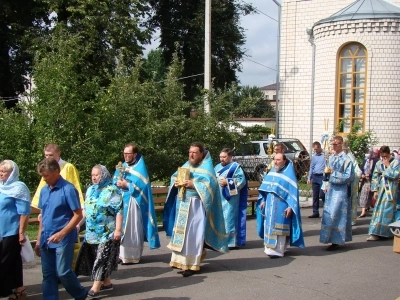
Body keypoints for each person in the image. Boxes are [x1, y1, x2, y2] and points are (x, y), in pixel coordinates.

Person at [163, 142, 229, 277]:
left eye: (194, 153)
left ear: (201, 154)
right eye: (190, 152)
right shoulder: (187, 165)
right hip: (182, 203)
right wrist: (175, 182)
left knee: (193, 235)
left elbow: (211, 185)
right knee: (182, 235)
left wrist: (193, 184)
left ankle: (192, 265)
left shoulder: (207, 168)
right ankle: (181, 262)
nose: (191, 155)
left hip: (196, 206)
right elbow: (174, 176)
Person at [34, 158, 87, 300]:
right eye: (42, 176)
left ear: (56, 172)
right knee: (48, 274)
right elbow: (43, 216)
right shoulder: (44, 190)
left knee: (63, 272)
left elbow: (78, 215)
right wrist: (39, 239)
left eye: (46, 175)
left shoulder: (68, 189)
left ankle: (80, 294)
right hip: (46, 238)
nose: (44, 179)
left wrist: (61, 233)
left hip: (63, 238)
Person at [31, 143, 84, 271]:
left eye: (51, 155)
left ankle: (71, 279)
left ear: (58, 154)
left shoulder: (68, 167)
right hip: (50, 216)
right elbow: (43, 191)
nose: (48, 158)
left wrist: (80, 211)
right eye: (46, 155)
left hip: (65, 215)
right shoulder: (45, 169)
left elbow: (74, 188)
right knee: (48, 273)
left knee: (63, 270)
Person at [75, 165, 123, 298]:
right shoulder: (91, 189)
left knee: (102, 258)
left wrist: (118, 230)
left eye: (97, 175)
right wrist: (78, 224)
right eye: (92, 175)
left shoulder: (112, 190)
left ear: (104, 175)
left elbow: (119, 211)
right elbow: (86, 209)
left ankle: (96, 287)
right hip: (91, 232)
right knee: (93, 257)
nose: (94, 177)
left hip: (107, 232)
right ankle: (106, 282)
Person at [112, 143, 160, 264]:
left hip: (134, 202)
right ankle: (122, 255)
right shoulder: (121, 167)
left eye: (128, 153)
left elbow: (143, 187)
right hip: (122, 201)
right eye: (124, 153)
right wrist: (117, 183)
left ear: (135, 154)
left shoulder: (140, 168)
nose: (126, 156)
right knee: (121, 228)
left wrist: (127, 185)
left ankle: (132, 256)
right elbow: (114, 180)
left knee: (132, 228)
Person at [256, 153, 304, 258]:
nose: (276, 162)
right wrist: (263, 200)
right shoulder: (271, 173)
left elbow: (292, 194)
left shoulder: (289, 175)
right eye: (275, 160)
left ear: (284, 161)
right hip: (269, 204)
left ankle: (278, 250)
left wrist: (290, 207)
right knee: (269, 226)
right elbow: (265, 189)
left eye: (278, 160)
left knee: (280, 227)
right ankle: (268, 249)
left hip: (281, 205)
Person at [0, 160, 30, 300]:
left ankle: (5, 291)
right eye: (0, 171)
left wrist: (21, 232)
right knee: (13, 261)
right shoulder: (1, 186)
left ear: (12, 173)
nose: (1, 174)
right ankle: (19, 288)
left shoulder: (19, 187)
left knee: (4, 262)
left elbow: (24, 212)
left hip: (11, 231)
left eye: (4, 171)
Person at [320, 136, 354, 251]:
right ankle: (328, 237)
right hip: (330, 190)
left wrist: (333, 174)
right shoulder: (331, 158)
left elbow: (349, 176)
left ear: (341, 144)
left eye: (336, 144)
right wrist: (324, 185)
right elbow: (326, 173)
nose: (333, 146)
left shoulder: (347, 159)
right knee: (329, 214)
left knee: (337, 214)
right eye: (332, 144)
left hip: (340, 191)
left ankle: (337, 240)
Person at [215, 148, 248, 249]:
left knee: (229, 219)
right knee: (219, 219)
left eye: (224, 157)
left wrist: (227, 182)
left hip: (230, 199)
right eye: (220, 157)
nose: (222, 159)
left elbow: (241, 181)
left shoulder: (236, 168)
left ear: (230, 157)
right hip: (218, 198)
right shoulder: (216, 167)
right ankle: (219, 240)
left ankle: (230, 242)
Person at [367, 146, 400, 241]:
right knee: (378, 211)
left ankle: (386, 233)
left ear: (389, 154)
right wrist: (375, 191)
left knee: (387, 211)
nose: (384, 158)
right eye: (382, 156)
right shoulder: (378, 163)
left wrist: (388, 166)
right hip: (381, 189)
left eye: (385, 156)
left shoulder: (396, 163)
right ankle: (375, 232)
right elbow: (375, 177)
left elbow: (395, 175)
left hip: (391, 190)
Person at [342, 140, 362, 226]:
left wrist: (351, 177)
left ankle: (350, 220)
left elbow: (358, 171)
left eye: (344, 149)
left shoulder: (350, 157)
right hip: (342, 183)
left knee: (350, 202)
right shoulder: (340, 156)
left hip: (350, 183)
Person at [307, 141, 325, 218]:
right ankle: (315, 212)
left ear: (320, 148)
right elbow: (312, 167)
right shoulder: (314, 156)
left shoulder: (324, 156)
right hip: (315, 176)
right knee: (315, 195)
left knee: (322, 194)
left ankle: (326, 211)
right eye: (314, 149)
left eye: (317, 149)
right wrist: (309, 177)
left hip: (322, 177)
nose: (315, 151)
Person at [358, 148, 379, 217]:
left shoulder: (376, 161)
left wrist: (370, 174)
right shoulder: (365, 160)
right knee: (364, 195)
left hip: (373, 180)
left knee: (372, 196)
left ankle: (373, 209)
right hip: (365, 181)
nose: (367, 154)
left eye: (368, 153)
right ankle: (363, 211)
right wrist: (362, 174)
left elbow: (377, 171)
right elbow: (361, 169)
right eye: (366, 153)